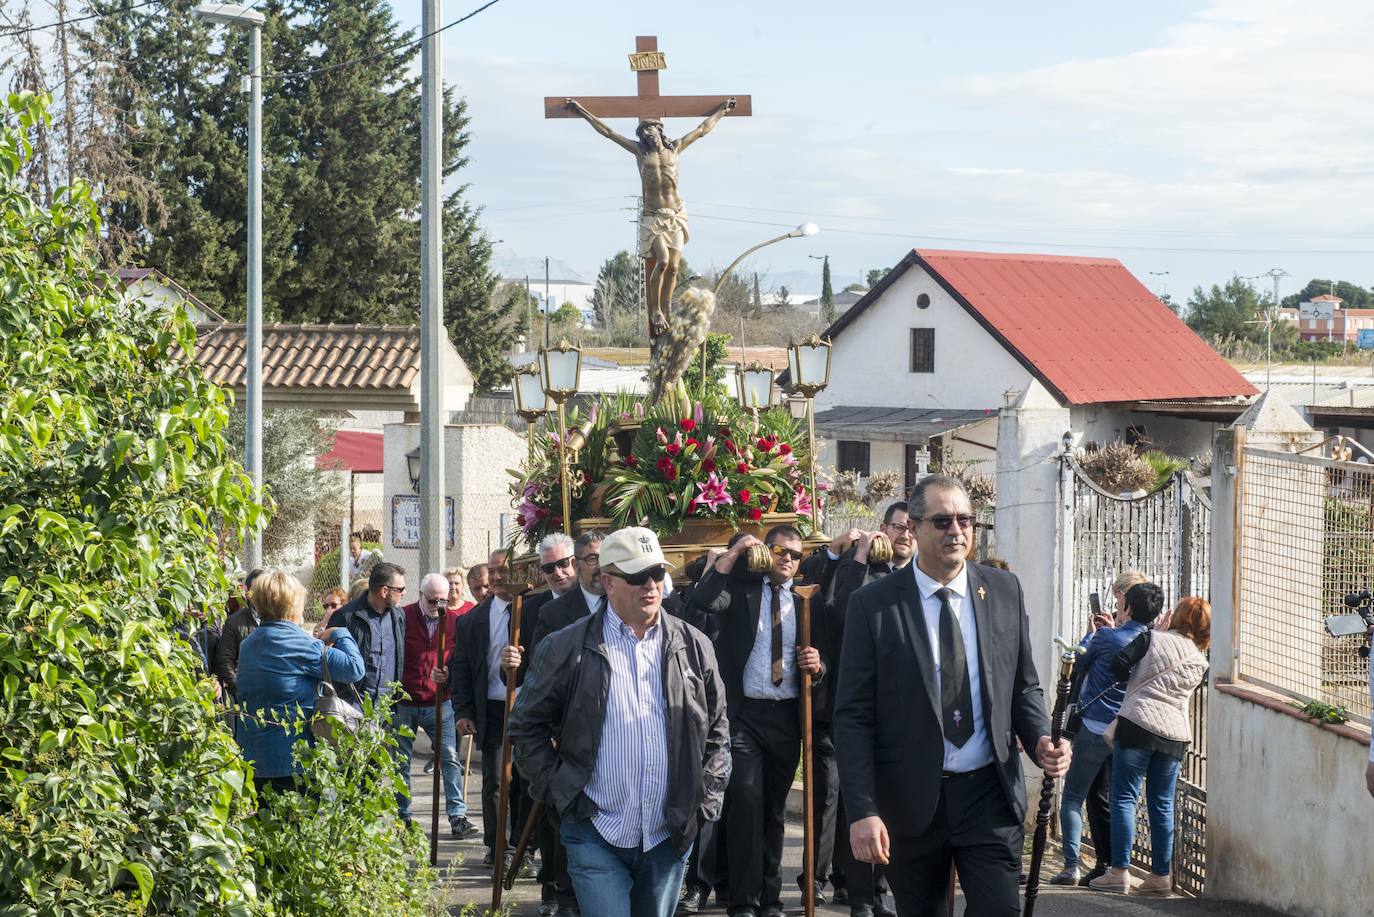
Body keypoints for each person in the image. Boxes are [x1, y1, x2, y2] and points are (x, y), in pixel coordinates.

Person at [834, 474, 1071, 916]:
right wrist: (862, 810)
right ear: (914, 528)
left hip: (988, 794)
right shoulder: (875, 605)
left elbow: (1023, 686)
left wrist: (1041, 739)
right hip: (910, 802)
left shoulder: (1003, 590)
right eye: (942, 521)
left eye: (965, 520)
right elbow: (852, 715)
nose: (956, 531)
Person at [509, 526, 731, 917]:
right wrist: (561, 790)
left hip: (669, 832)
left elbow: (717, 730)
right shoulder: (565, 646)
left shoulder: (694, 645)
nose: (650, 584)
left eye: (656, 574)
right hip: (595, 830)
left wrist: (704, 803)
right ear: (608, 581)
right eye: (636, 576)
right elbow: (525, 726)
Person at [690, 524, 826, 917]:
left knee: (773, 810)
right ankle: (743, 900)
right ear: (765, 553)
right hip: (744, 715)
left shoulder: (807, 600)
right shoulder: (741, 590)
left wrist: (818, 666)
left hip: (786, 714)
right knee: (746, 800)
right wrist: (733, 556)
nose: (787, 559)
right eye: (780, 551)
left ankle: (770, 898)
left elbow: (829, 656)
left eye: (796, 555)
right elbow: (702, 601)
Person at [563, 96, 735, 337]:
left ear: (660, 130)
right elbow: (608, 132)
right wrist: (582, 111)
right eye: (643, 131)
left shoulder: (676, 148)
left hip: (676, 215)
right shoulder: (639, 153)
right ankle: (655, 310)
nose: (647, 134)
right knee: (662, 261)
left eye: (650, 129)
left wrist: (722, 111)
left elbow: (702, 129)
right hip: (652, 218)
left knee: (674, 269)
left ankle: (665, 307)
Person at [825, 504, 915, 917]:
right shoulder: (867, 575)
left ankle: (883, 890)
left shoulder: (922, 581)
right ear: (883, 530)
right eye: (899, 527)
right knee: (859, 804)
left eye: (912, 528)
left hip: (904, 713)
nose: (906, 535)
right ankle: (862, 895)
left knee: (896, 805)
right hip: (862, 708)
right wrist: (860, 554)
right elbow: (839, 611)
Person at [1090, 596, 1210, 897]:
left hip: (1136, 723)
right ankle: (1160, 877)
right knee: (1162, 804)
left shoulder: (1151, 638)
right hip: (1174, 734)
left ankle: (1119, 871)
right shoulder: (1200, 660)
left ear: (1176, 617)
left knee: (1124, 798)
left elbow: (1118, 665)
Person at [501, 533, 584, 917]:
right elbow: (523, 677)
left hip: (590, 719)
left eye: (564, 563)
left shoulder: (599, 601)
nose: (558, 572)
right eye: (549, 567)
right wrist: (511, 667)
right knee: (549, 808)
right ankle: (552, 886)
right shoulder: (532, 610)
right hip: (552, 724)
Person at [1052, 572, 1151, 887]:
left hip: (1094, 726)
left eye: (1118, 596)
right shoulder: (1151, 640)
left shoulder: (1108, 637)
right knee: (1119, 798)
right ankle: (1116, 868)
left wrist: (1092, 633)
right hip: (1128, 728)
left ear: (1125, 599)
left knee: (1072, 796)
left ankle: (1071, 866)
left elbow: (1077, 662)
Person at [235, 569, 364, 793]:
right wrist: (339, 633)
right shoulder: (305, 646)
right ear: (294, 606)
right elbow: (355, 668)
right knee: (298, 826)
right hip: (294, 761)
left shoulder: (248, 644)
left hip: (253, 758)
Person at [449, 548, 532, 866]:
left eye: (505, 570)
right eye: (493, 571)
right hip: (492, 710)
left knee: (526, 782)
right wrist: (464, 711)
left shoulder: (534, 610)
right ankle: (498, 846)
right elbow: (462, 668)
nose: (498, 577)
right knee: (496, 781)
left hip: (529, 710)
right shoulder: (472, 621)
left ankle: (523, 844)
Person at [392, 573, 477, 837]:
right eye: (432, 601)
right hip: (405, 701)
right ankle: (403, 816)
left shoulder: (454, 621)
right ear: (420, 595)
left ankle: (457, 817)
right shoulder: (402, 617)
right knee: (401, 762)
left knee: (450, 757)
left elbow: (461, 658)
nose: (438, 606)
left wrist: (448, 673)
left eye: (443, 601)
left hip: (440, 701)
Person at [327, 562, 407, 707]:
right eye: (400, 589)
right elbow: (329, 661)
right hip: (353, 708)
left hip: (386, 710)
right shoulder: (346, 617)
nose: (404, 593)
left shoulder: (398, 616)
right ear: (384, 591)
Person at [213, 568, 265, 703]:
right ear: (248, 593)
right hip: (243, 693)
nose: (262, 594)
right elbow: (226, 660)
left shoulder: (278, 620)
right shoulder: (234, 622)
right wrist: (240, 689)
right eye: (257, 589)